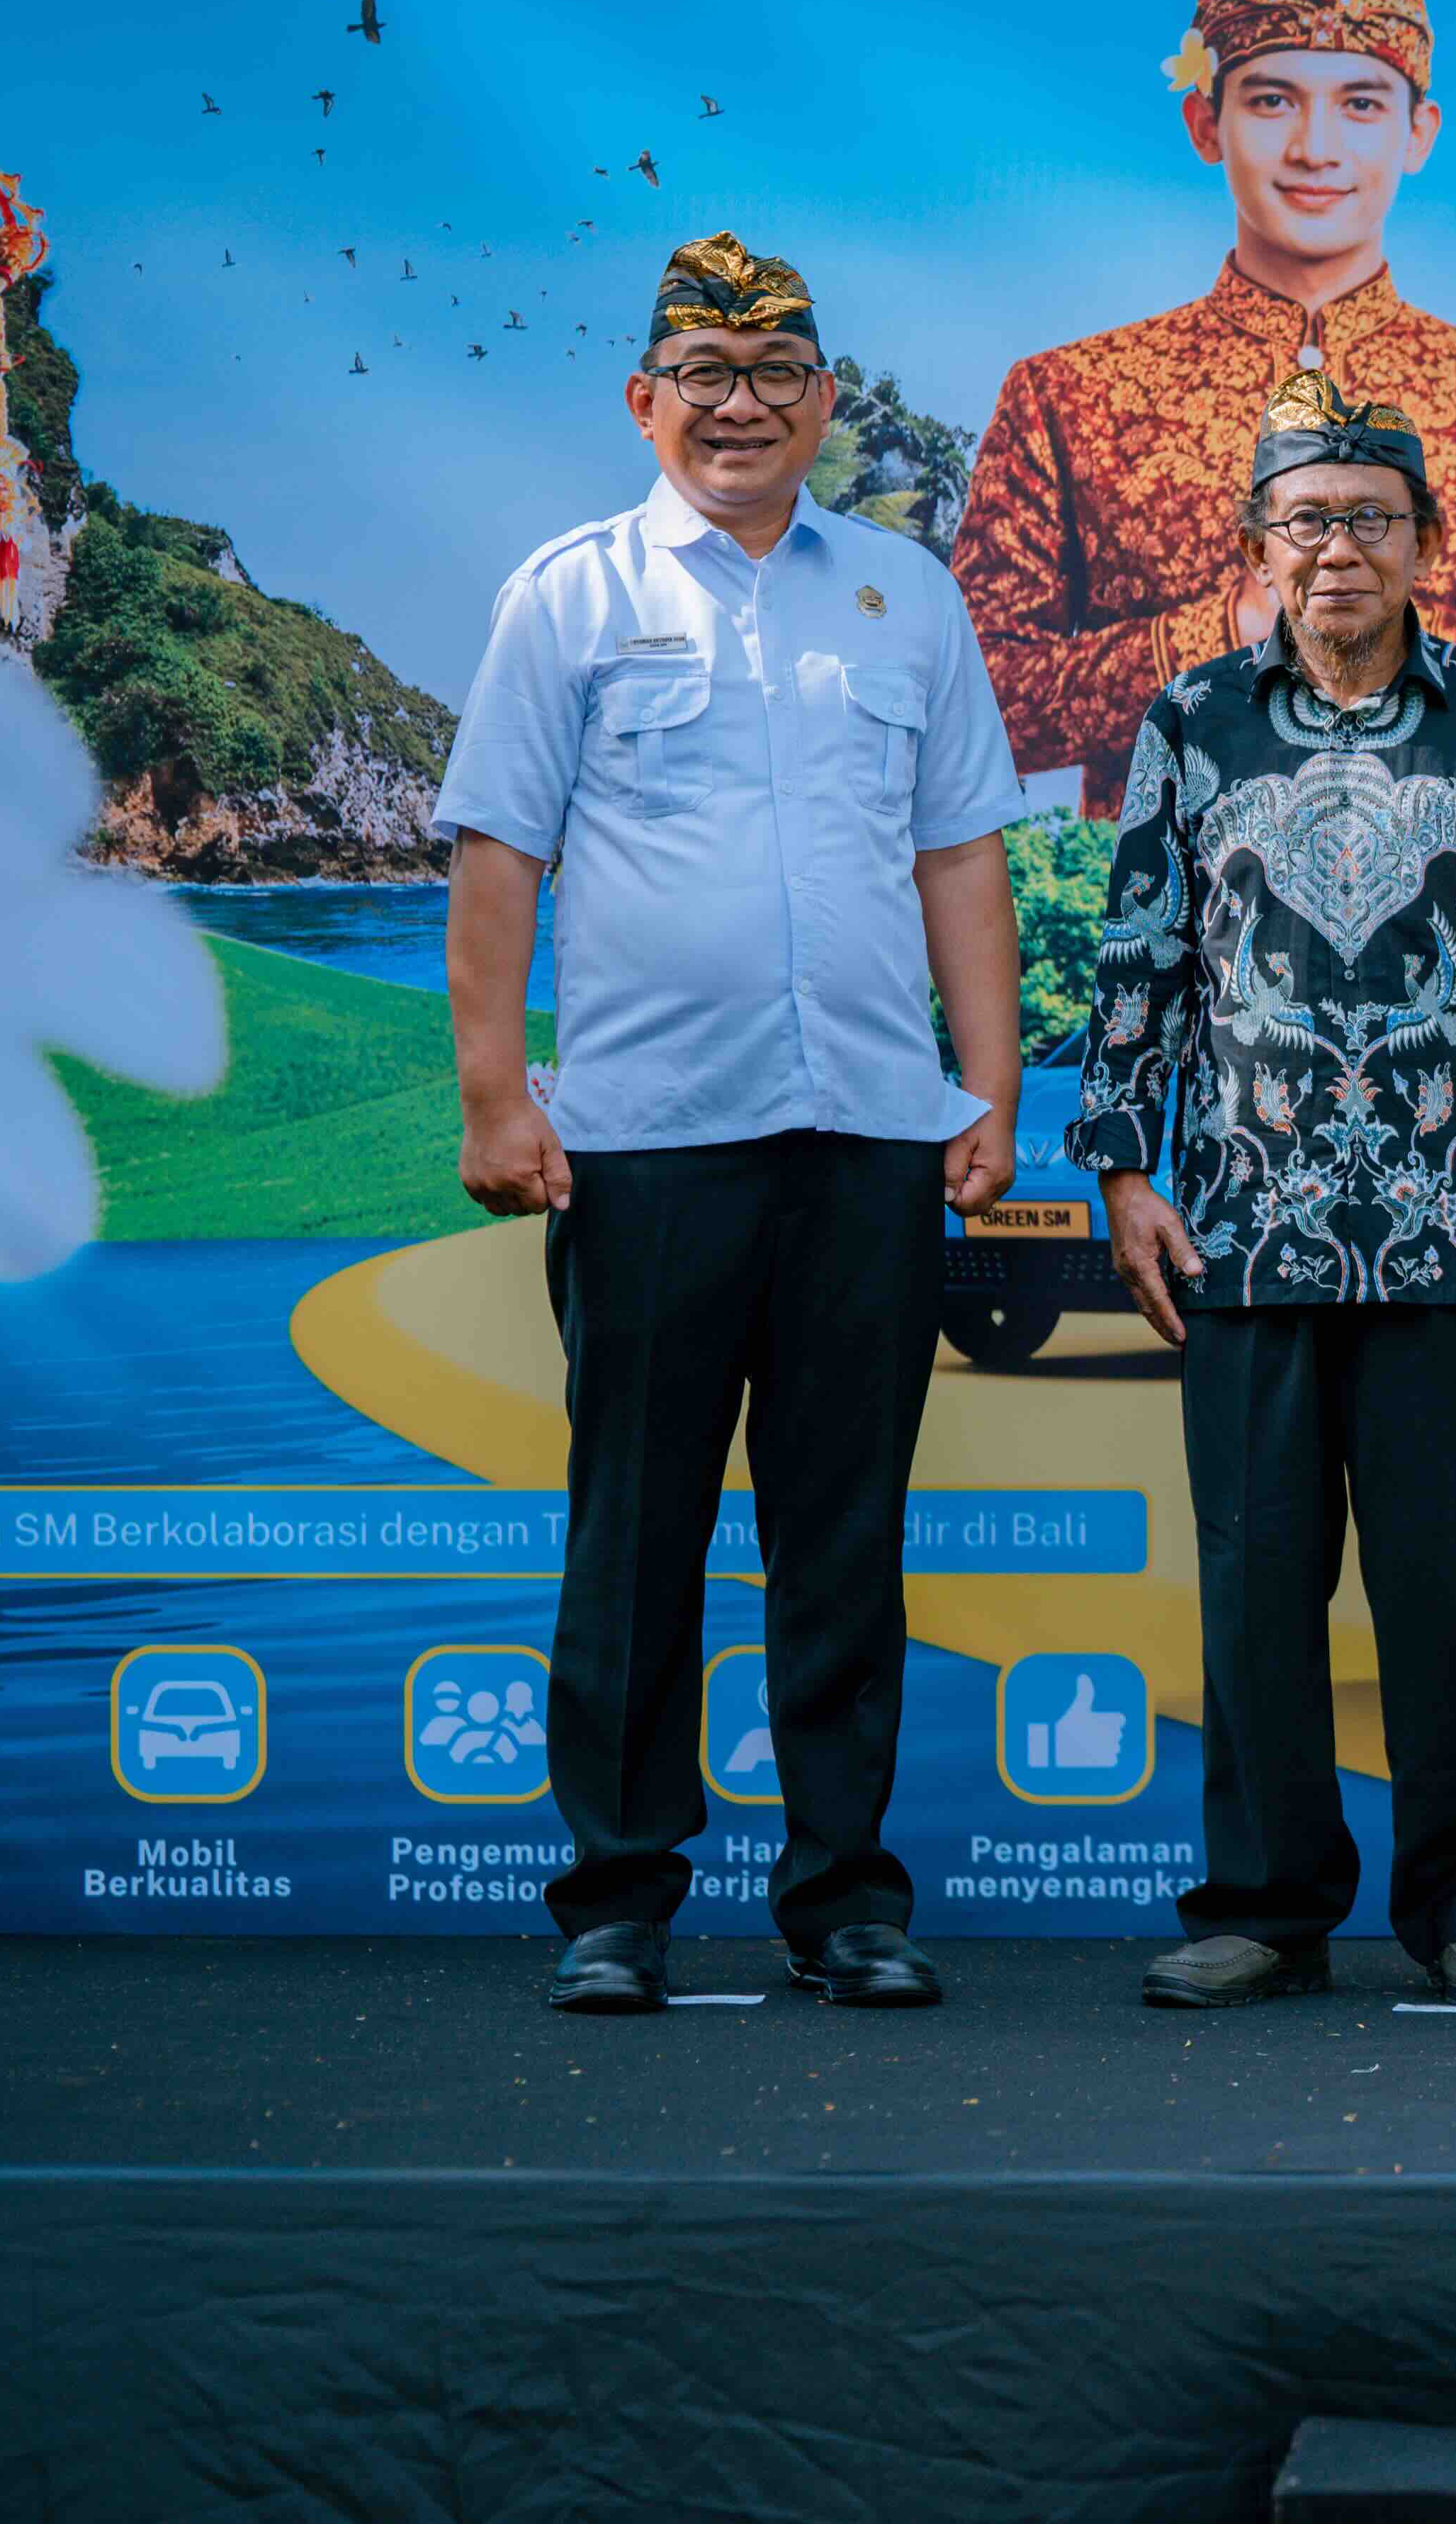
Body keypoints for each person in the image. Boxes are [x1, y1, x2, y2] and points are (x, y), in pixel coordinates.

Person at [436, 232, 1027, 2017]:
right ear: (647, 400)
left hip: (869, 1133)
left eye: (776, 373)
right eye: (706, 373)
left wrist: (988, 1085)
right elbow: (499, 853)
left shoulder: (907, 595)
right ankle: (618, 1897)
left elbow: (959, 854)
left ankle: (845, 1897)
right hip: (647, 1141)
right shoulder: (569, 594)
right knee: (637, 1527)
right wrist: (495, 1092)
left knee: (844, 1530)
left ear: (825, 400)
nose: (742, 405)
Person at [1073, 372, 1456, 2012]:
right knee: (1256, 1586)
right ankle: (1266, 1904)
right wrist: (1122, 1168)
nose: (1338, 549)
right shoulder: (1189, 722)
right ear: (1261, 543)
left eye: (1371, 518)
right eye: (1306, 520)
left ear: (1425, 540)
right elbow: (1140, 958)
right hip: (1244, 1226)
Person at [956, 0, 1456, 808]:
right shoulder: (1068, 397)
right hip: (1175, 883)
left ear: (1419, 133)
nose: (1315, 149)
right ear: (1204, 123)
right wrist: (1228, 626)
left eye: (1361, 104)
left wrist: (1395, 627)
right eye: (1272, 100)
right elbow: (974, 699)